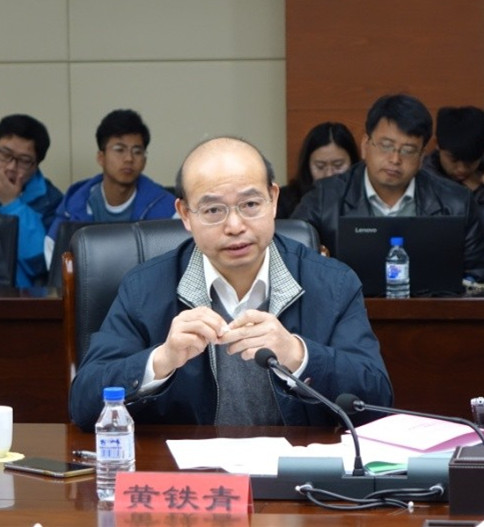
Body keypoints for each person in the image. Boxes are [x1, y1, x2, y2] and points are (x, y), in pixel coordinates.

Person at [69, 136, 393, 431]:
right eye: (213, 210)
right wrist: (161, 360)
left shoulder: (333, 283)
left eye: (250, 205)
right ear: (185, 214)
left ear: (273, 199)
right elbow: (84, 404)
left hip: (296, 469)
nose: (235, 226)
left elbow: (377, 401)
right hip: (187, 471)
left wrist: (298, 354)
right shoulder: (144, 288)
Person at [292, 94, 484, 282]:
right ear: (365, 145)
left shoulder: (458, 203)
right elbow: (290, 258)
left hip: (434, 304)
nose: (395, 159)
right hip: (346, 303)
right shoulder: (324, 198)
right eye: (386, 146)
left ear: (421, 157)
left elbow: (477, 277)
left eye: (408, 151)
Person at [45, 109, 176, 267]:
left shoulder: (166, 206)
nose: (129, 158)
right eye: (119, 150)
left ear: (144, 160)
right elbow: (52, 252)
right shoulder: (75, 202)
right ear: (101, 157)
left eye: (137, 151)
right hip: (86, 282)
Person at [0, 114, 63, 287]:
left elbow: (41, 264)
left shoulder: (52, 202)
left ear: (36, 165)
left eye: (24, 161)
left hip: (21, 298)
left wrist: (12, 204)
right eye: (5, 154)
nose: (11, 167)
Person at [277, 122, 360, 218]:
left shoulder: (364, 196)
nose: (329, 174)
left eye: (338, 165)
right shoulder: (285, 201)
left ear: (353, 163)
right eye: (320, 166)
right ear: (307, 166)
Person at [422, 106, 484, 227]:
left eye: (470, 161)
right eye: (453, 160)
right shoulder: (423, 179)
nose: (461, 169)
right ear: (437, 144)